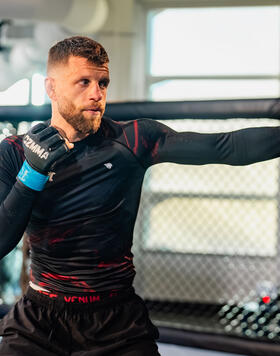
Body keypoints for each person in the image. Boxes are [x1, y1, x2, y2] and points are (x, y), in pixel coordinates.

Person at [0, 36, 280, 356]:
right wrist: (30, 176)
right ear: (51, 88)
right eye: (84, 82)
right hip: (40, 319)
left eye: (103, 82)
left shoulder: (133, 139)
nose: (97, 93)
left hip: (115, 320)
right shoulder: (16, 152)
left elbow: (226, 147)